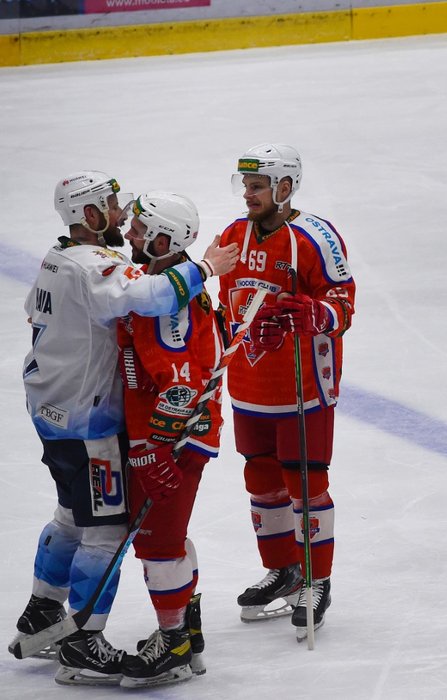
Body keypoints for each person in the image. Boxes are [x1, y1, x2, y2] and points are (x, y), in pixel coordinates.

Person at [14, 171, 236, 686]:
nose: (123, 222)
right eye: (115, 209)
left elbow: (179, 377)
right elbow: (154, 296)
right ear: (88, 216)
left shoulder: (56, 259)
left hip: (55, 412)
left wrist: (156, 445)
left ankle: (46, 610)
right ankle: (86, 644)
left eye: (133, 219)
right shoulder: (99, 267)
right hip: (89, 421)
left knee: (75, 515)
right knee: (106, 531)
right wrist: (208, 267)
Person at [219, 144, 355, 639]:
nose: (248, 194)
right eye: (245, 185)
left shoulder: (313, 237)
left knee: (305, 483)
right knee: (260, 480)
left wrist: (318, 316)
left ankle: (318, 579)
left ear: (283, 187)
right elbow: (219, 301)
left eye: (257, 186)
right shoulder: (233, 234)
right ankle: (285, 570)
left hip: (303, 387)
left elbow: (344, 301)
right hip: (249, 383)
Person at [114, 192, 225, 687]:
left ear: (164, 240)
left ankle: (174, 643)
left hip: (173, 445)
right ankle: (188, 630)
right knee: (168, 537)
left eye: (140, 230)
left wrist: (154, 450)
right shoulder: (169, 281)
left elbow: (180, 387)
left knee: (159, 544)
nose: (131, 235)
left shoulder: (169, 305)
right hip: (177, 439)